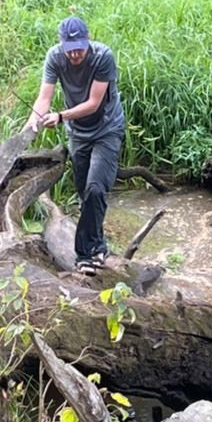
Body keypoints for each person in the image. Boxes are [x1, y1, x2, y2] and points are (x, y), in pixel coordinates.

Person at [25, 16, 125, 274]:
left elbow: (93, 103)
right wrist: (31, 125)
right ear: (62, 46)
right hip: (78, 133)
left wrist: (60, 117)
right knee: (86, 194)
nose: (76, 54)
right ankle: (100, 246)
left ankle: (84, 256)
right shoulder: (55, 57)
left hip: (106, 129)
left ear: (88, 38)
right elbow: (43, 97)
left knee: (95, 188)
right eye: (70, 50)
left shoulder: (103, 56)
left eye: (80, 48)